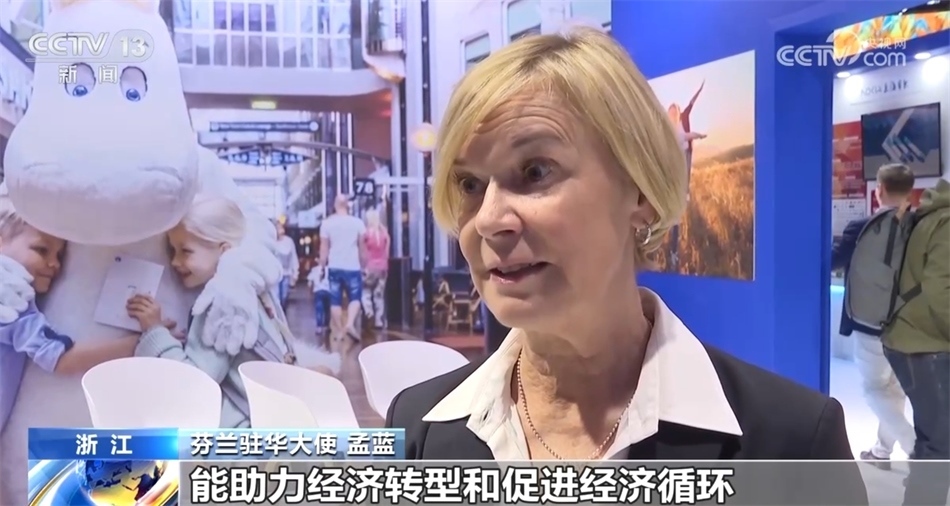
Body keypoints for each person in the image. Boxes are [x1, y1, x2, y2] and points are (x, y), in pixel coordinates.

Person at [385, 29, 865, 502]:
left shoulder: (795, 443)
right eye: (469, 184)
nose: (489, 220)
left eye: (535, 172)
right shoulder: (415, 426)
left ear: (639, 191)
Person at [125, 195, 314, 428]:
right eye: (172, 251)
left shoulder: (223, 303)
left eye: (186, 251)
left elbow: (194, 384)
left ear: (224, 250)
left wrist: (155, 332)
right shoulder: (253, 289)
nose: (175, 261)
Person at [0, 198, 142, 434]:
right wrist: (139, 344)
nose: (54, 264)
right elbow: (60, 358)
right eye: (41, 250)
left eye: (59, 256)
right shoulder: (11, 292)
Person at [831, 164, 916, 469]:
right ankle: (882, 451)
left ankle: (917, 449)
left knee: (874, 389)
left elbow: (832, 262)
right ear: (910, 191)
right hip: (909, 322)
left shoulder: (861, 226)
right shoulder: (921, 227)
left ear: (879, 189)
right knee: (894, 387)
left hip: (870, 323)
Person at [881, 178, 949, 506]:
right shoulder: (946, 223)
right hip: (925, 345)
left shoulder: (929, 214)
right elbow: (939, 292)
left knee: (931, 438)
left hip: (909, 339)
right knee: (940, 444)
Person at [666, 83, 707, 270]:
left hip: (683, 161)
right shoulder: (666, 129)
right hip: (673, 165)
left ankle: (674, 250)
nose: (673, 113)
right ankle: (671, 244)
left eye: (674, 110)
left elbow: (688, 135)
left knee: (679, 201)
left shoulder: (681, 123)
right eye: (670, 111)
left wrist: (699, 135)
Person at [319, 194, 366, 341]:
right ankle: (350, 324)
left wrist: (322, 266)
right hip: (353, 266)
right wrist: (364, 265)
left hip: (334, 266)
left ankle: (340, 330)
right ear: (347, 205)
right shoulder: (358, 223)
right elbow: (362, 248)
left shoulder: (327, 224)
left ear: (335, 205)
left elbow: (324, 249)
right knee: (355, 298)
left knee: (335, 300)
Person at [361, 208, 390, 329]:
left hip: (370, 267)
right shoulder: (384, 234)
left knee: (365, 291)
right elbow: (387, 253)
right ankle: (379, 320)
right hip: (382, 268)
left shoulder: (366, 234)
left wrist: (363, 266)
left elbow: (363, 253)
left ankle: (369, 311)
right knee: (379, 295)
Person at [274, 221, 299, 310]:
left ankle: (282, 312)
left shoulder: (289, 241)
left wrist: (295, 273)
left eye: (281, 227)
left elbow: (293, 257)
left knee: (284, 297)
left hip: (286, 273)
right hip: (274, 275)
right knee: (276, 298)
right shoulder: (271, 241)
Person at [307, 265, 332, 343]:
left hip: (320, 291)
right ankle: (325, 325)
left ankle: (320, 326)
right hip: (326, 291)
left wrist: (310, 291)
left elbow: (310, 282)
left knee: (320, 309)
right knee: (326, 309)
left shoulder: (315, 269)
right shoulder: (330, 269)